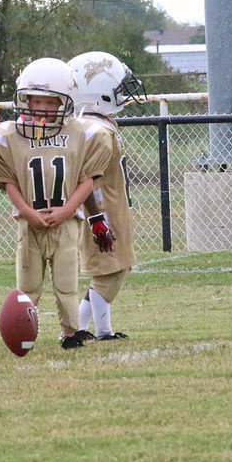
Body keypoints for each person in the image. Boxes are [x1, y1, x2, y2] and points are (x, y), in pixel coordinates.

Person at [0, 57, 112, 349]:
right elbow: (7, 181)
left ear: (65, 101)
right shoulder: (8, 135)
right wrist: (26, 212)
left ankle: (71, 333)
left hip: (66, 223)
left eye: (49, 102)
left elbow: (87, 179)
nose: (40, 108)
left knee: (67, 285)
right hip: (29, 225)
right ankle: (23, 334)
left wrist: (67, 210)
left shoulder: (84, 133)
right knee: (27, 287)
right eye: (34, 101)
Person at [67, 51, 145, 341]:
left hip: (106, 204)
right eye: (117, 87)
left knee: (113, 268)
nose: (124, 92)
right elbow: (88, 179)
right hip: (101, 206)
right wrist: (97, 217)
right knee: (110, 270)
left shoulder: (91, 124)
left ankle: (89, 328)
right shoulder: (97, 130)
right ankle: (91, 329)